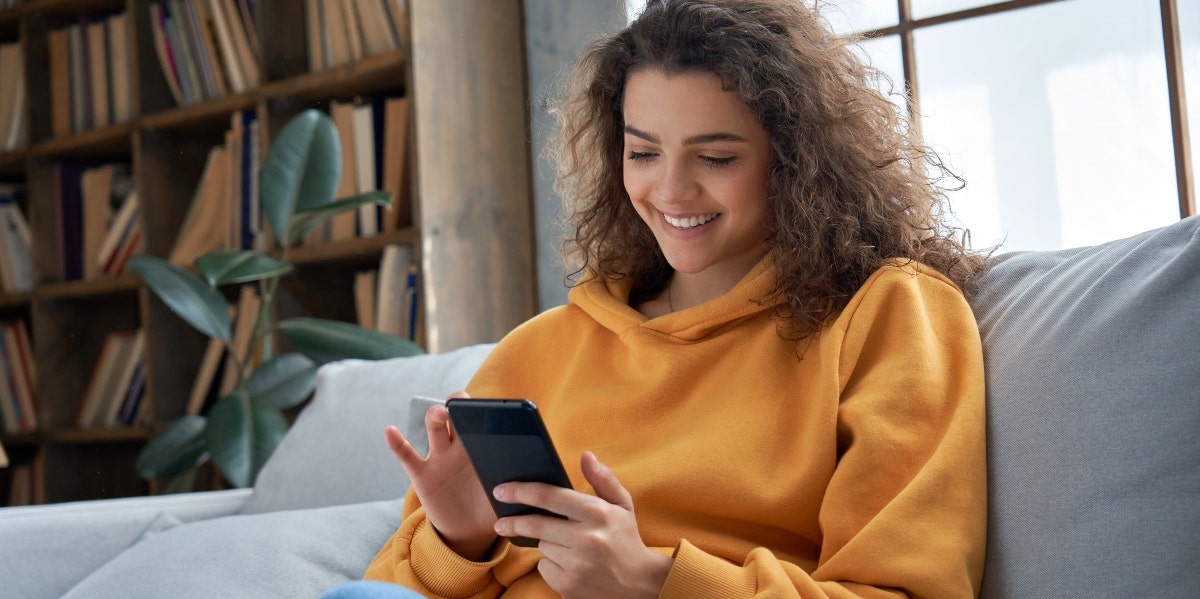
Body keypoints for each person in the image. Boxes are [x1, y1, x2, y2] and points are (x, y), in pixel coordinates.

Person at [347, 0, 988, 597]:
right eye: (644, 152)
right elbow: (388, 588)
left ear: (794, 161)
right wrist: (461, 537)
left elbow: (900, 590)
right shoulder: (541, 348)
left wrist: (653, 579)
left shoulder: (886, 315)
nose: (671, 191)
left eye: (714, 157)